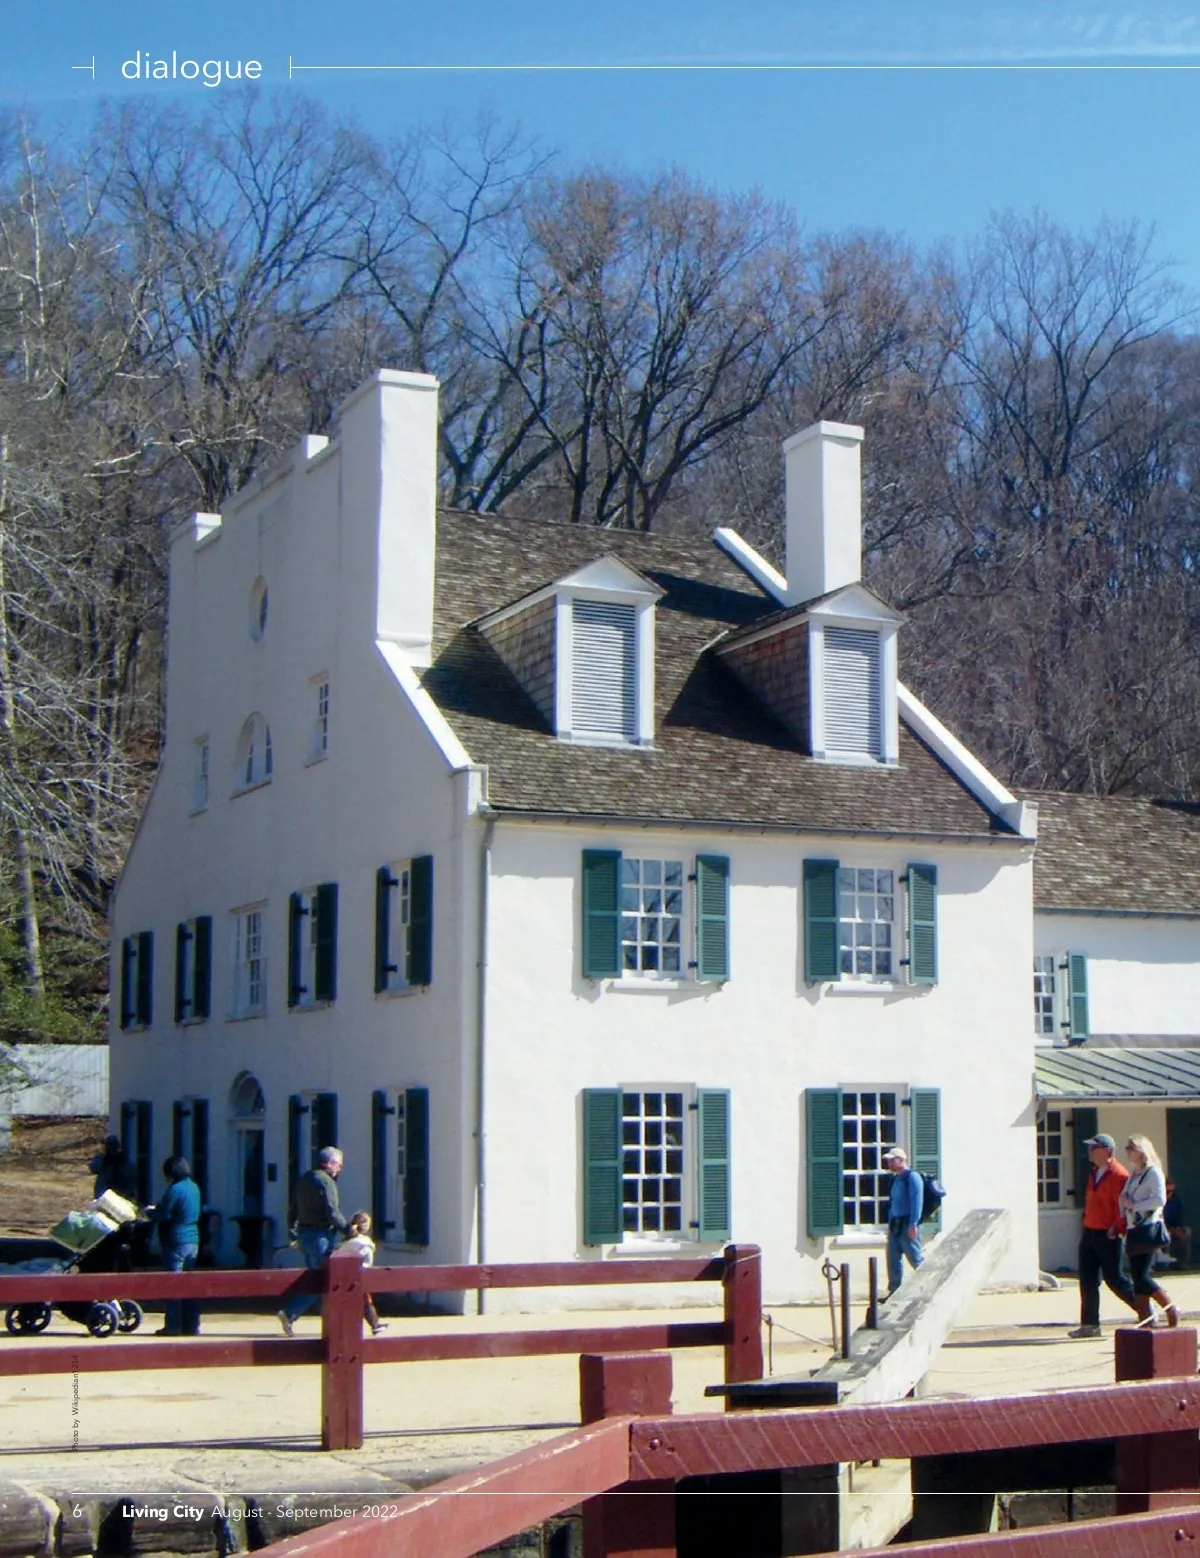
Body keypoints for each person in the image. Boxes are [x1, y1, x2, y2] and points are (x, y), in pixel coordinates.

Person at [1069, 1132, 1141, 1338]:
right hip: (1090, 1231)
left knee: (1114, 1278)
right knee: (1088, 1280)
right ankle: (1090, 1324)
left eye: (1095, 1147)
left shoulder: (1119, 1175)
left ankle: (1144, 1308)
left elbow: (1123, 1207)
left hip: (1108, 1234)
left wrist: (1117, 1227)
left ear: (1107, 1151)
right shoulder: (1093, 1173)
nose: (1090, 1151)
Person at [278, 1146, 347, 1335]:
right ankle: (290, 1312)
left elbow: (292, 1208)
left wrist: (292, 1231)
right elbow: (332, 1211)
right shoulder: (326, 1182)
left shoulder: (304, 1179)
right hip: (320, 1235)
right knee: (323, 1279)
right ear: (330, 1163)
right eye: (339, 1165)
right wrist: (347, 1229)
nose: (339, 1169)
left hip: (304, 1233)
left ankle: (329, 1320)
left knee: (316, 1278)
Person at [1120, 1136, 1179, 1327]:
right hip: (1133, 1228)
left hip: (1147, 1228)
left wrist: (1135, 1205)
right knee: (1137, 1276)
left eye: (1131, 1148)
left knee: (1142, 1276)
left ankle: (1171, 1309)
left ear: (1142, 1150)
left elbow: (1160, 1200)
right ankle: (1145, 1319)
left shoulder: (1153, 1173)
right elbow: (1125, 1196)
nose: (1128, 1152)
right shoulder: (1134, 1174)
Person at [148, 1156, 201, 1336]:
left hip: (176, 1239)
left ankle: (173, 1325)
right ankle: (191, 1325)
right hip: (193, 1238)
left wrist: (149, 1212)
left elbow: (165, 1214)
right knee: (189, 1285)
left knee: (173, 1284)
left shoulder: (175, 1189)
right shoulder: (194, 1187)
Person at [882, 1146, 924, 1295]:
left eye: (892, 1160)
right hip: (895, 1224)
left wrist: (913, 1224)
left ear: (901, 1160)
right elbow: (893, 1203)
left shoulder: (912, 1177)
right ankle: (894, 1292)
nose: (889, 1164)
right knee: (893, 1259)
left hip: (907, 1223)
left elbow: (917, 1201)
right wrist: (890, 1225)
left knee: (915, 1258)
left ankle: (928, 1287)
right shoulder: (896, 1179)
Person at [343, 1210, 389, 1336]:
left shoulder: (345, 1242)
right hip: (358, 1277)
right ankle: (375, 1325)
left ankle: (372, 1324)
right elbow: (366, 1263)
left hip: (343, 1277)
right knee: (366, 1302)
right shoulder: (365, 1244)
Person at [89, 1135, 138, 1202]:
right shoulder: (103, 1159)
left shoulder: (122, 1160)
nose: (111, 1150)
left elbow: (131, 1177)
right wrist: (103, 1156)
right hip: (104, 1195)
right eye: (108, 1148)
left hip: (118, 1195)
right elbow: (93, 1168)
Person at [1164, 1178, 1191, 1268]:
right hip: (1161, 1227)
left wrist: (1178, 1227)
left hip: (1174, 1226)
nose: (1170, 1194)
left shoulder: (1176, 1200)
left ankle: (1181, 1262)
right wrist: (1169, 1228)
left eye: (1172, 1191)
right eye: (1167, 1191)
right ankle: (1164, 1263)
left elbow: (1180, 1215)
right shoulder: (1158, 1200)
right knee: (1166, 1234)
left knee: (1186, 1232)